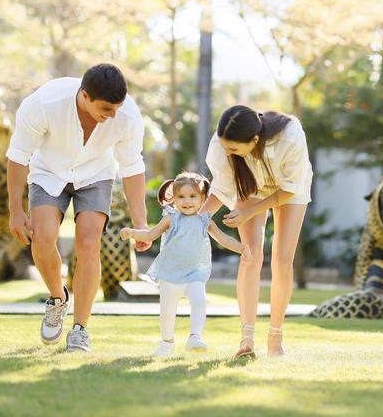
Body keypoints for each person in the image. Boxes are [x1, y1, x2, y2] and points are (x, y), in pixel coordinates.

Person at [5, 63, 150, 352]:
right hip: (48, 171)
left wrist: (142, 223)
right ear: (84, 96)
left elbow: (132, 168)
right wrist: (15, 211)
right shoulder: (45, 103)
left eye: (116, 109)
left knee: (88, 241)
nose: (112, 116)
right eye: (105, 109)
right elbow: (18, 156)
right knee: (43, 238)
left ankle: (80, 329)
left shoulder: (128, 117)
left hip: (96, 174)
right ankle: (58, 300)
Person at [201, 105, 313, 358]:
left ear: (253, 140)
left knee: (282, 261)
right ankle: (246, 339)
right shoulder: (221, 144)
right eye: (225, 146)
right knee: (250, 255)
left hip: (289, 190)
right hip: (250, 187)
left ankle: (275, 337)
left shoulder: (291, 136)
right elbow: (222, 189)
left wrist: (251, 211)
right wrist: (195, 219)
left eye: (233, 148)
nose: (226, 151)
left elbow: (289, 190)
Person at [120, 172, 251, 357]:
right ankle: (166, 342)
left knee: (199, 301)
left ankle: (195, 336)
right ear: (173, 198)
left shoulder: (205, 221)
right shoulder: (171, 218)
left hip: (194, 274)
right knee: (167, 311)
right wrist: (132, 233)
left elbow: (223, 239)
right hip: (170, 275)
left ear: (203, 198)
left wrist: (242, 248)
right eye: (181, 196)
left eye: (192, 196)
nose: (187, 201)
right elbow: (151, 235)